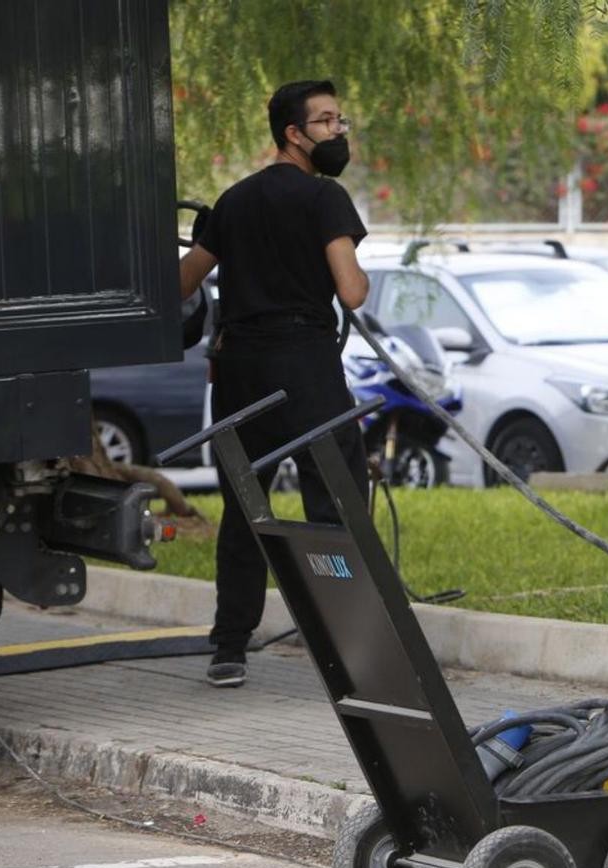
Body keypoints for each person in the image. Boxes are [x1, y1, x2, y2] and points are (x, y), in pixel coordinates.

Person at [179, 80, 370, 688]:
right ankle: (352, 655)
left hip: (240, 370)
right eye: (326, 121)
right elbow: (351, 292)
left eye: (339, 120)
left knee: (244, 509)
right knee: (333, 507)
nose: (338, 131)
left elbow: (182, 281)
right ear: (294, 133)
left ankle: (229, 649)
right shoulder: (325, 197)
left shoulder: (234, 200)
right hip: (306, 367)